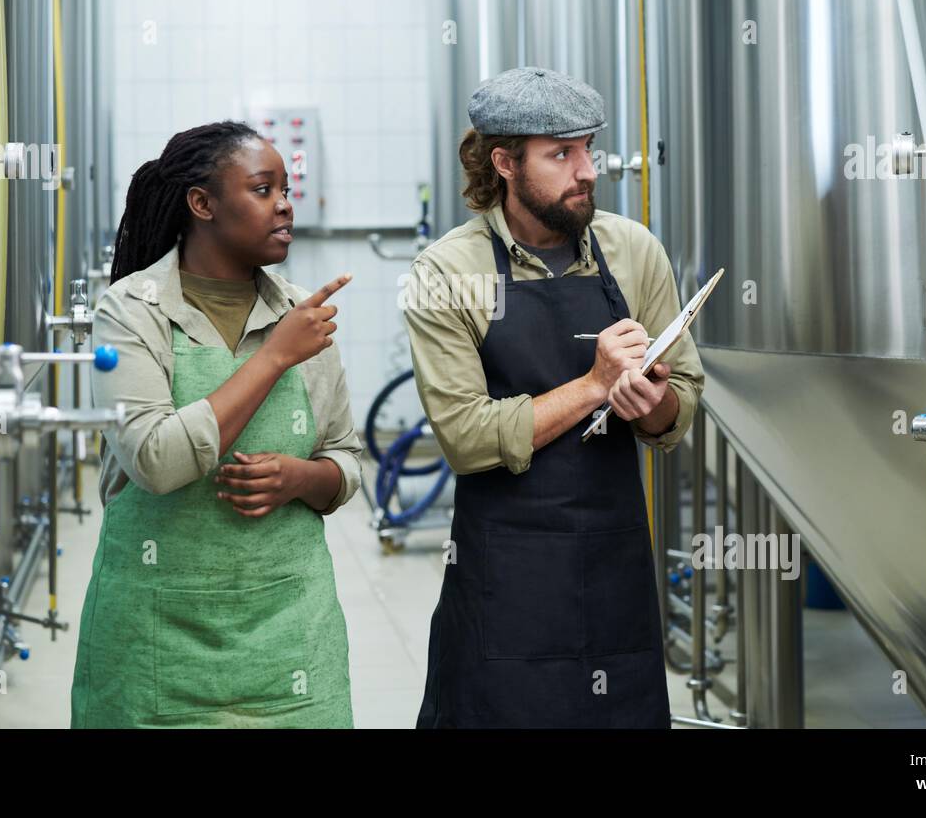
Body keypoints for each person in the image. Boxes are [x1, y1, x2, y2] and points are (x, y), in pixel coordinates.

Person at [404, 67, 706, 727]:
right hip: (504, 575)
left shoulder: (633, 252)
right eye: (561, 154)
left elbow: (680, 406)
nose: (587, 170)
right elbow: (467, 439)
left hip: (614, 564)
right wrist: (594, 385)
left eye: (589, 148)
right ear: (505, 163)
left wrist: (648, 400)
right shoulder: (447, 273)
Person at [70, 120, 360, 728]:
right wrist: (276, 355)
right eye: (262, 189)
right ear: (202, 204)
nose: (284, 204)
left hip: (289, 634)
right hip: (156, 641)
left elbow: (345, 458)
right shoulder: (131, 310)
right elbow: (155, 460)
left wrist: (302, 479)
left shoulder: (300, 312)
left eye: (285, 188)